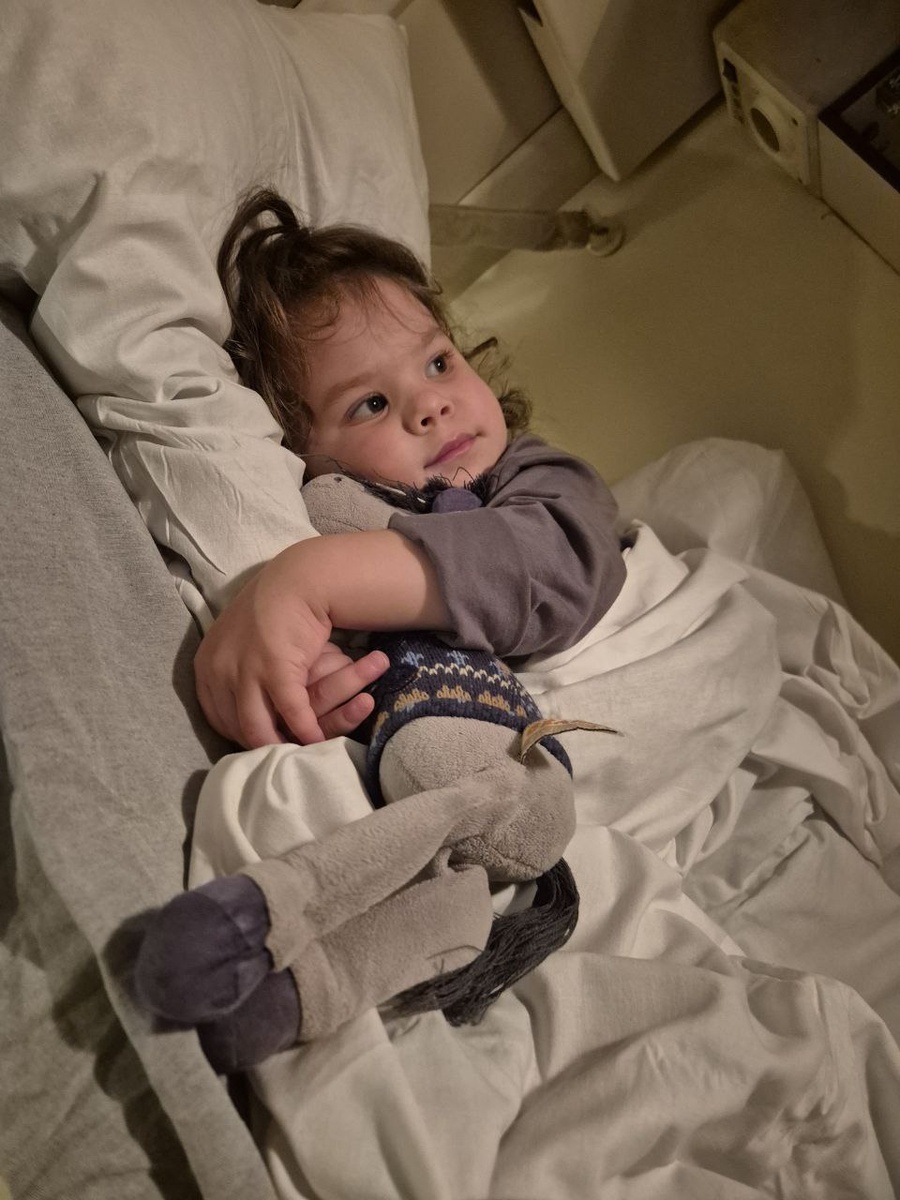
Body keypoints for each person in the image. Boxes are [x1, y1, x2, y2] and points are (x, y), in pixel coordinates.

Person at [134, 189, 627, 1070]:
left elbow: (555, 561)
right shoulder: (336, 512)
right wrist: (330, 700)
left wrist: (312, 579)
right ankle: (299, 976)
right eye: (368, 404)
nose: (429, 406)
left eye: (437, 362)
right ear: (305, 453)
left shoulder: (537, 478)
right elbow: (386, 675)